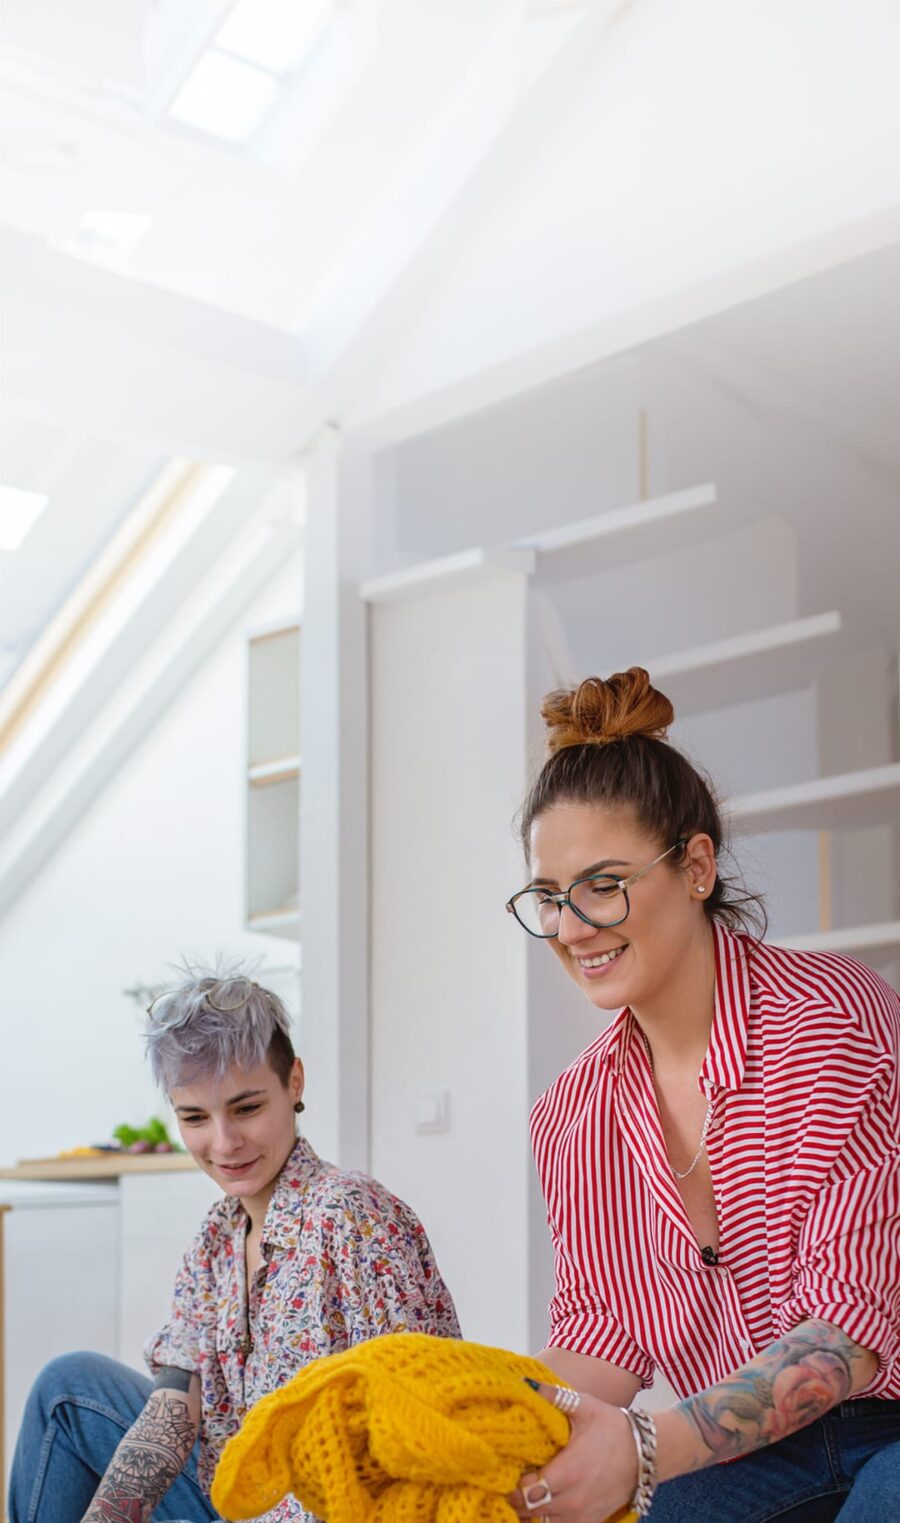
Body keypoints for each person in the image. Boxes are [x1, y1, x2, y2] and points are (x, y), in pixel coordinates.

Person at [502, 669, 899, 1523]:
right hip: (753, 1445)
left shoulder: (832, 1020)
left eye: (603, 883)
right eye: (548, 896)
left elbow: (849, 1338)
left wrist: (644, 1449)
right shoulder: (573, 1113)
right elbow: (604, 1332)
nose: (571, 927)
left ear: (696, 865)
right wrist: (476, 1417)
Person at [10, 964, 460, 1523]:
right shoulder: (215, 1237)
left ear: (294, 1082)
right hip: (233, 1499)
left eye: (247, 1108)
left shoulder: (354, 1219)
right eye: (195, 1117)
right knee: (67, 1386)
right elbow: (175, 1404)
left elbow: (419, 1432)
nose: (224, 1144)